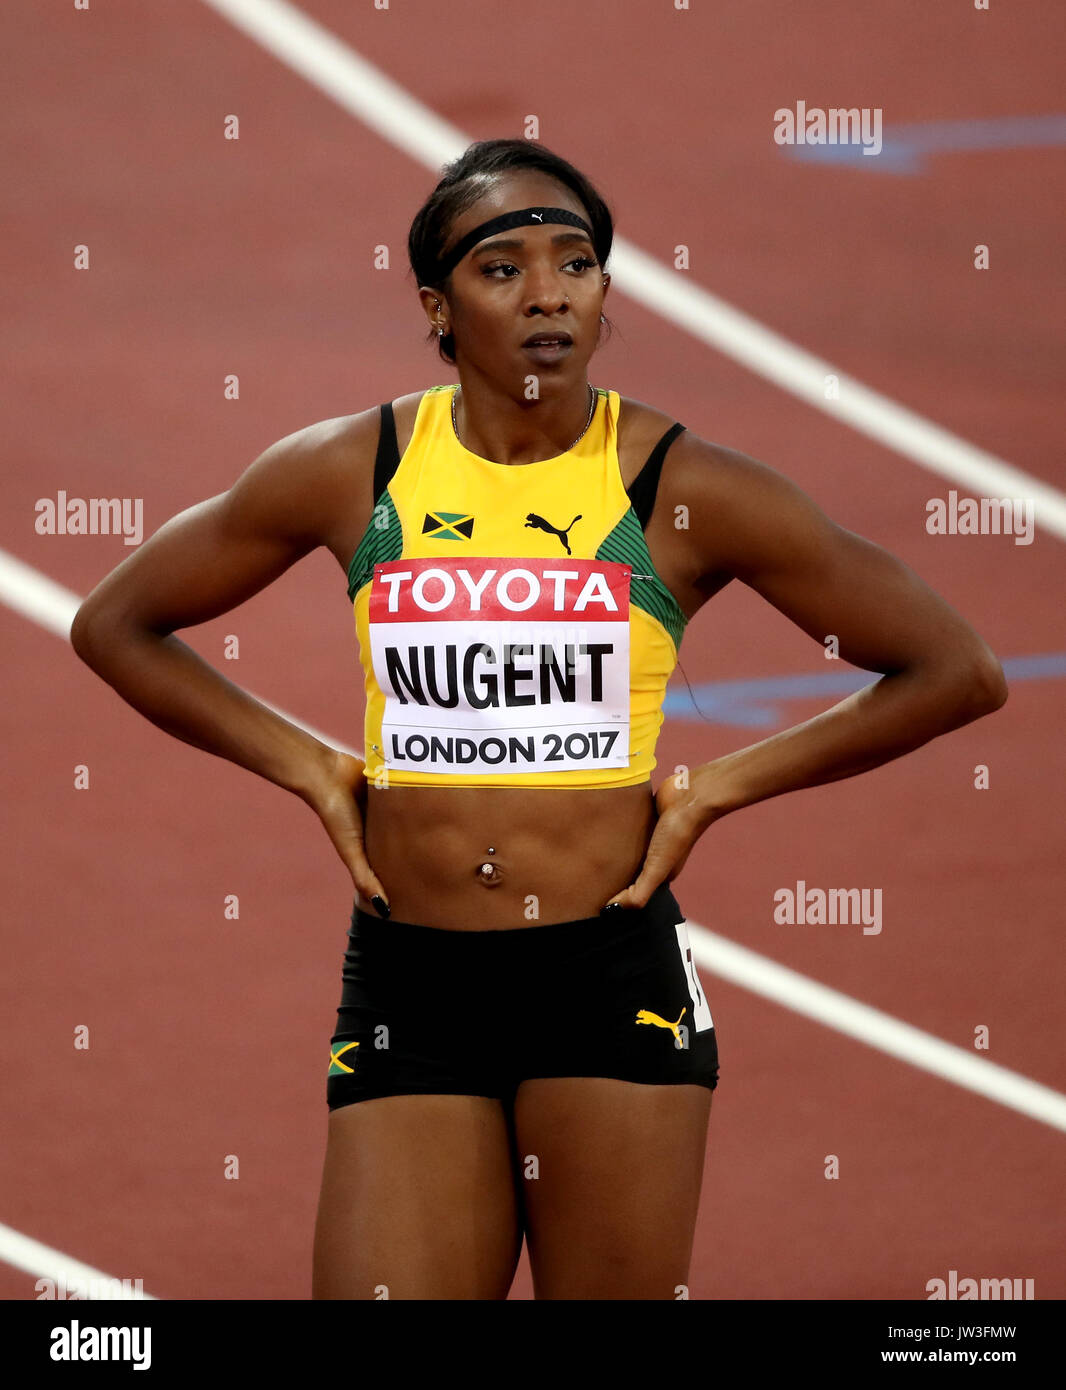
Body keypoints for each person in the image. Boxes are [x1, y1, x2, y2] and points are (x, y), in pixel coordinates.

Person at [70, 138, 1007, 1301]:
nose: (550, 290)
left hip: (605, 983)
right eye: (502, 266)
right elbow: (116, 623)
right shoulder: (352, 471)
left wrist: (720, 784)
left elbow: (952, 669)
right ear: (436, 303)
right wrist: (310, 766)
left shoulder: (676, 483)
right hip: (412, 983)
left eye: (577, 261)